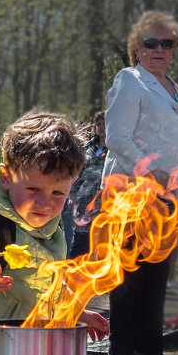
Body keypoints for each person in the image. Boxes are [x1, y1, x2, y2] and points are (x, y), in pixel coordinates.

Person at [0, 110, 109, 355]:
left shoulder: (51, 230)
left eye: (57, 193)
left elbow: (49, 285)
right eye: (33, 189)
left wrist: (76, 312)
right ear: (6, 177)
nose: (44, 204)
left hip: (28, 345)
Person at [100, 10, 178, 355]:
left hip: (167, 195)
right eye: (149, 43)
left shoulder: (174, 88)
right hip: (130, 189)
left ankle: (148, 346)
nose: (158, 49)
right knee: (128, 272)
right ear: (136, 49)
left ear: (174, 50)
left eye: (166, 43)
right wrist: (150, 169)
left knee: (156, 271)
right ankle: (120, 350)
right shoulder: (130, 81)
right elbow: (117, 136)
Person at [62, 111, 107, 261]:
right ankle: (70, 282)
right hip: (84, 204)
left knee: (101, 250)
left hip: (105, 206)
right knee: (78, 250)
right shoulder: (88, 148)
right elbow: (78, 175)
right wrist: (72, 196)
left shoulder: (116, 147)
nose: (101, 127)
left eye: (104, 123)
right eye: (98, 124)